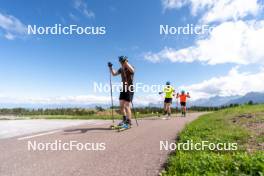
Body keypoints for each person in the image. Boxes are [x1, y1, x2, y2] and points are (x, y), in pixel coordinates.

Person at [108, 56, 135, 128]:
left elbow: (132, 71)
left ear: (126, 61)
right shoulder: (121, 69)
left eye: (122, 61)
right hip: (123, 89)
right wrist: (110, 67)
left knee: (127, 105)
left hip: (129, 88)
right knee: (121, 106)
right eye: (120, 62)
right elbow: (114, 74)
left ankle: (129, 122)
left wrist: (125, 62)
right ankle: (124, 120)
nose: (121, 63)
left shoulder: (130, 67)